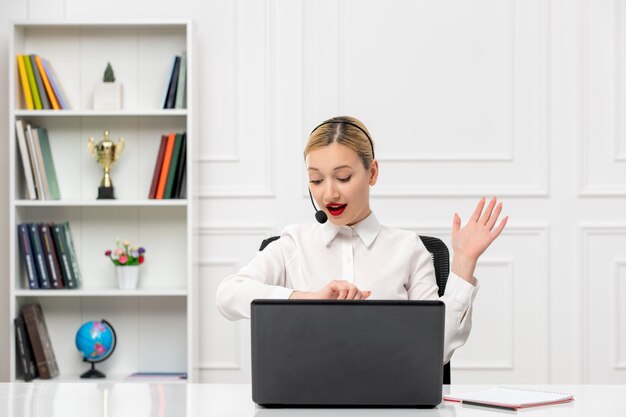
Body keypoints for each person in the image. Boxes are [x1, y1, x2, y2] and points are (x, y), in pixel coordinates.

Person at [216, 116, 508, 364]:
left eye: (343, 177)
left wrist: (464, 262)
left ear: (373, 173)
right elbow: (228, 295)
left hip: (390, 403)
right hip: (304, 403)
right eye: (316, 180)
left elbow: (436, 349)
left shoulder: (408, 249)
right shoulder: (292, 243)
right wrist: (308, 299)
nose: (328, 194)